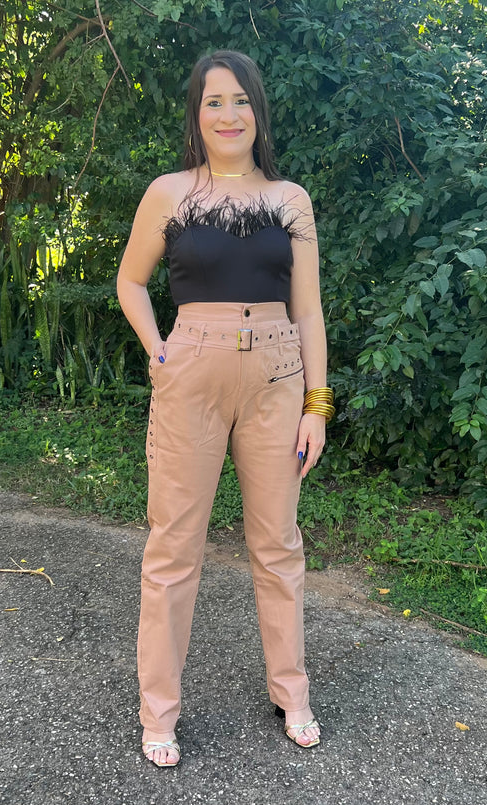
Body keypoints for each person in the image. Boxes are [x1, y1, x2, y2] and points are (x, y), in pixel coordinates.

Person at [117, 49, 333, 768]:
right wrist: (157, 348)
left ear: (257, 111)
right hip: (193, 369)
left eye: (240, 100)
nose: (228, 114)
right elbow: (130, 280)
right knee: (173, 547)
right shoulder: (169, 192)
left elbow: (308, 310)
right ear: (196, 114)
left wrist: (316, 405)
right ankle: (159, 711)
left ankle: (291, 690)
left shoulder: (289, 199)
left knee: (278, 545)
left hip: (277, 373)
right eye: (213, 101)